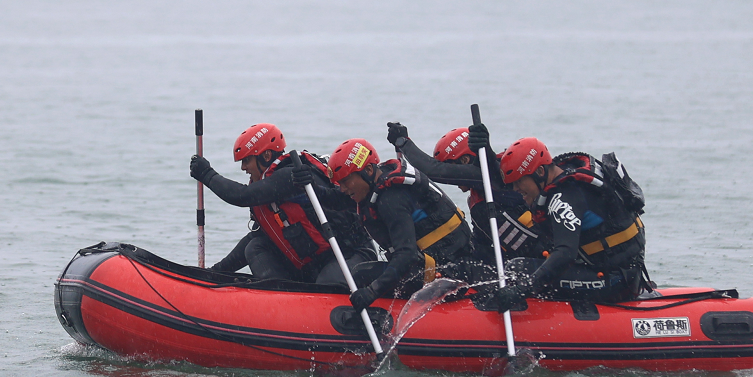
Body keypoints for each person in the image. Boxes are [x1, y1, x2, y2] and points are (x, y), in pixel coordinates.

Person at [189, 123, 374, 285]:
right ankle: (281, 300)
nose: (243, 168)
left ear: (267, 155)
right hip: (315, 264)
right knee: (256, 246)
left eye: (246, 160)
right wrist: (215, 272)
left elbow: (240, 196)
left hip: (350, 255)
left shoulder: (289, 175)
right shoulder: (267, 186)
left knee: (327, 282)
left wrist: (207, 175)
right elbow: (255, 237)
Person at [492, 137, 648, 310]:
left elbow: (566, 253)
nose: (515, 189)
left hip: (616, 282)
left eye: (519, 181)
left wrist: (522, 290)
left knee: (517, 271)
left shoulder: (563, 198)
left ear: (540, 172)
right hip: (626, 272)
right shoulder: (567, 175)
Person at [326, 137, 473, 312]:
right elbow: (339, 201)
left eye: (345, 181)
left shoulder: (391, 200)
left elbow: (407, 254)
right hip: (440, 261)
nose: (342, 188)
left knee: (360, 274)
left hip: (446, 273)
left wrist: (372, 291)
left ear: (368, 170)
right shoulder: (376, 187)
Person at [387, 121, 546, 263]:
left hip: (540, 254)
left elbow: (433, 170)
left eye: (451, 165)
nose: (453, 179)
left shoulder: (491, 174)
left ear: (464, 161)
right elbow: (482, 241)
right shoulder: (478, 198)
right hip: (515, 256)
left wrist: (403, 143)